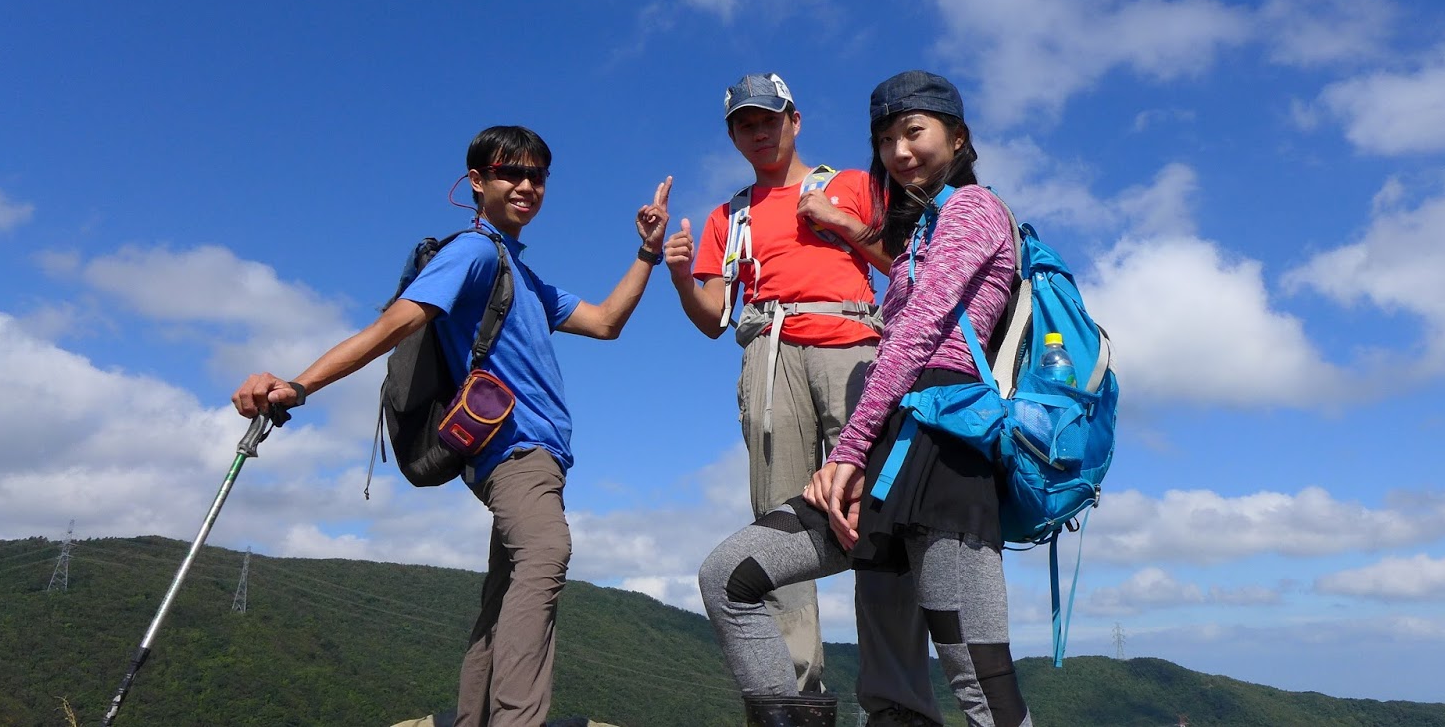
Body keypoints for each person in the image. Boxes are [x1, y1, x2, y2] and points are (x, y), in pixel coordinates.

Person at [232, 125, 671, 727]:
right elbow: (392, 326)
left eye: (537, 175)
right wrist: (300, 386)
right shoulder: (474, 253)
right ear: (477, 182)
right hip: (515, 450)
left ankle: (476, 718)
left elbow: (604, 322)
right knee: (546, 553)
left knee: (504, 596)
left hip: (529, 453)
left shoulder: (521, 275)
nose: (526, 185)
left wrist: (647, 252)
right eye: (510, 173)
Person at [698, 71, 1033, 727]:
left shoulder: (972, 209)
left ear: (958, 138)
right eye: (885, 140)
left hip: (942, 461)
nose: (899, 152)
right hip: (890, 456)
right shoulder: (924, 230)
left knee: (978, 680)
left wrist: (848, 451)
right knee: (730, 576)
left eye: (914, 132)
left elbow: (916, 334)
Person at [666, 73, 940, 722]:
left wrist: (839, 221)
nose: (759, 132)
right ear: (734, 136)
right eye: (745, 124)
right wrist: (678, 274)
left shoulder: (853, 184)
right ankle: (797, 705)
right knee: (778, 523)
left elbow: (908, 265)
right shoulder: (728, 216)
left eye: (769, 119)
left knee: (880, 515)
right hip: (768, 354)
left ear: (794, 120)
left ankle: (898, 706)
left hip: (856, 347)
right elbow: (713, 318)